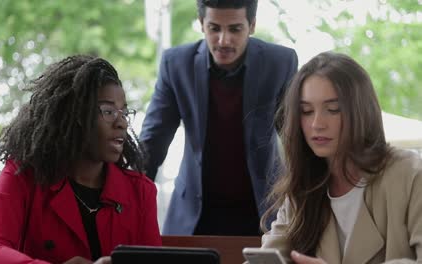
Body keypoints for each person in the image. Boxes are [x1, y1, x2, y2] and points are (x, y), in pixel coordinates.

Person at [0, 55, 162, 264]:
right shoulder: (23, 176)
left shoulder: (141, 192)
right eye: (108, 111)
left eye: (124, 112)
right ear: (75, 115)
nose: (122, 123)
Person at [140, 0, 298, 236]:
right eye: (214, 28)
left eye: (235, 29)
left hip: (262, 213)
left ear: (252, 25)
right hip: (194, 215)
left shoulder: (279, 63)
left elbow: (296, 138)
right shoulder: (176, 64)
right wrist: (124, 197)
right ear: (202, 23)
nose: (224, 40)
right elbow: (152, 142)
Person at [260, 52, 422, 263]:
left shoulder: (410, 175)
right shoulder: (302, 189)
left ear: (362, 112)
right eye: (307, 111)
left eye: (333, 110)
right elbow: (267, 257)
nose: (317, 123)